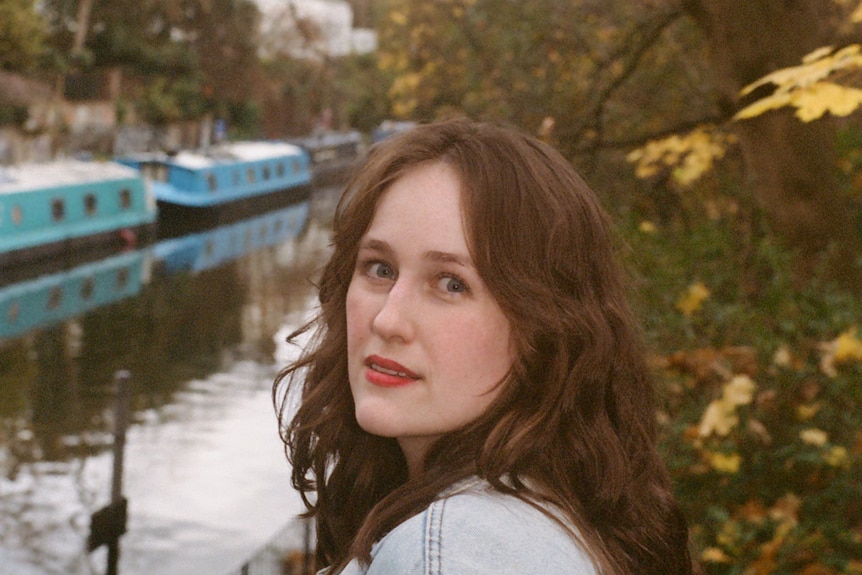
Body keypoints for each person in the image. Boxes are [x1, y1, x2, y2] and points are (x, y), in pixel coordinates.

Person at [274, 118, 693, 575]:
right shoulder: (558, 513)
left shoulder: (450, 552)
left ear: (544, 326)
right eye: (380, 269)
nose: (387, 319)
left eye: (451, 283)